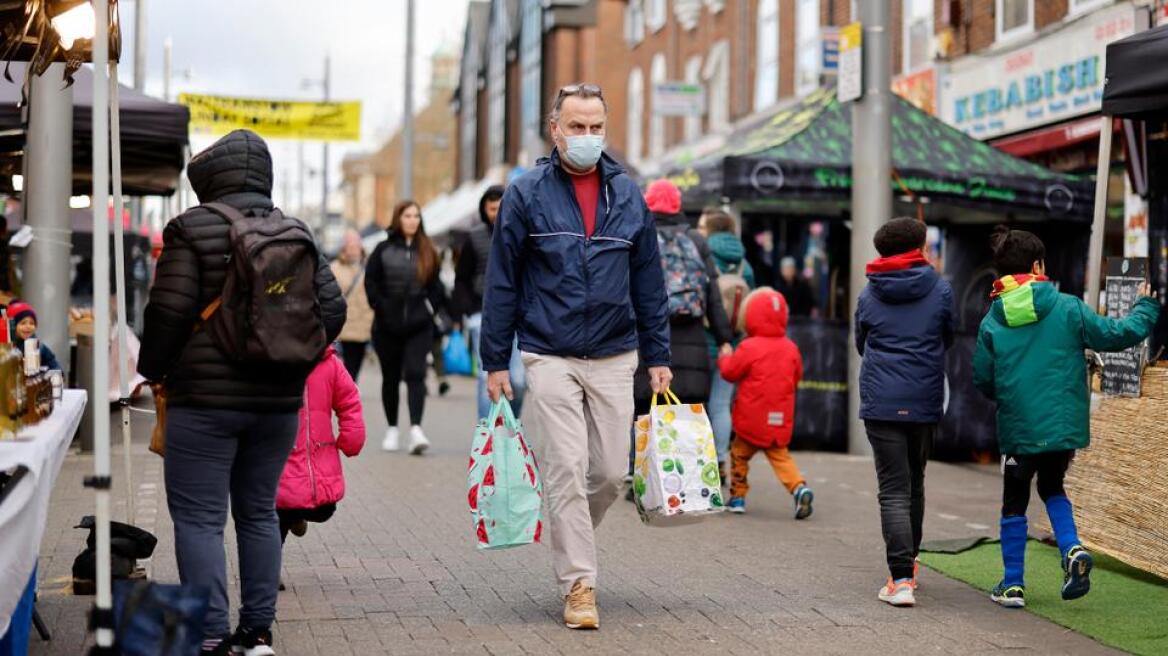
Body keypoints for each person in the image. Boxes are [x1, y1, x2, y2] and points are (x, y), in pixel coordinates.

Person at [139, 129, 347, 656]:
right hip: (277, 404)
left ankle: (210, 634)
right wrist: (291, 361)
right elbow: (334, 311)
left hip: (203, 405)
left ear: (208, 179)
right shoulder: (294, 230)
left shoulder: (191, 228)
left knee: (200, 519)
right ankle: (256, 635)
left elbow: (167, 312)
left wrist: (155, 370)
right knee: (258, 512)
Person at [481, 83, 671, 631]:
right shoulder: (526, 193)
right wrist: (496, 359)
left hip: (616, 350)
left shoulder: (628, 196)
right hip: (549, 351)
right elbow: (502, 282)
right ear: (555, 129)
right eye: (577, 127)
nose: (587, 137)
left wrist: (658, 352)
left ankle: (569, 529)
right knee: (566, 465)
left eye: (596, 128)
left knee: (611, 472)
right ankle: (579, 584)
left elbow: (649, 283)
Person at [973, 226, 1158, 609]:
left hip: (1018, 430)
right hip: (1061, 427)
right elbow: (1116, 334)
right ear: (1039, 266)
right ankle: (1072, 550)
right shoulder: (1068, 307)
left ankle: (1013, 585)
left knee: (1014, 501)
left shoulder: (992, 320)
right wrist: (1145, 308)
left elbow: (983, 380)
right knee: (1052, 487)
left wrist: (1010, 396)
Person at [855, 217, 954, 608]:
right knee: (915, 483)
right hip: (924, 398)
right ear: (920, 247)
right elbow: (948, 336)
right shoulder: (941, 289)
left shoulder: (868, 294)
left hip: (881, 399)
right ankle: (908, 568)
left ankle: (899, 581)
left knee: (893, 489)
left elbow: (862, 343)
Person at [634, 180, 733, 414]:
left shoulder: (640, 235)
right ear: (677, 205)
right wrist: (723, 338)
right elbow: (713, 295)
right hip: (693, 341)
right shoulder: (696, 241)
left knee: (643, 417)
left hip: (648, 339)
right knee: (686, 419)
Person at [718, 288, 813, 519]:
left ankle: (738, 497)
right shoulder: (791, 348)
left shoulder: (749, 346)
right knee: (781, 458)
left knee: (739, 454)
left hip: (750, 420)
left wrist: (724, 356)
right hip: (778, 418)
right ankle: (799, 488)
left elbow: (730, 372)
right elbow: (797, 376)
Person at [365, 200, 448, 455]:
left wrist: (428, 309)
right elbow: (371, 282)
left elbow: (437, 288)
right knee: (390, 377)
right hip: (386, 326)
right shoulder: (382, 249)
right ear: (398, 218)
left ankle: (415, 429)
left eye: (416, 216)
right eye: (407, 215)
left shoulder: (428, 250)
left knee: (416, 374)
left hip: (418, 326)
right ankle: (392, 428)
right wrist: (381, 307)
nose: (412, 220)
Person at [276, 346, 365, 547]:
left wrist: (353, 436)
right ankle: (268, 573)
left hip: (314, 457)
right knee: (277, 514)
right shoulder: (270, 360)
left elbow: (349, 400)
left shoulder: (329, 363)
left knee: (322, 510)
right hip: (279, 453)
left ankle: (296, 517)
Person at [452, 185, 526, 419]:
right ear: (484, 210)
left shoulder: (522, 234)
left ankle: (510, 422)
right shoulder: (474, 238)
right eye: (492, 208)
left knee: (519, 379)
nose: (497, 212)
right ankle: (488, 432)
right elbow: (461, 278)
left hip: (518, 316)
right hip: (482, 315)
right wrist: (468, 311)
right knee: (488, 377)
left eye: (501, 206)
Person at [697, 209, 754, 473]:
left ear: (710, 229)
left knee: (695, 403)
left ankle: (698, 460)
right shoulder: (745, 264)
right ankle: (720, 460)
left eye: (702, 226)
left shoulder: (700, 255)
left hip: (702, 339)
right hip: (733, 343)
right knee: (721, 405)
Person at [330, 228, 374, 382]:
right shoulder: (335, 267)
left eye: (356, 244)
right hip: (345, 324)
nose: (354, 248)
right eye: (350, 245)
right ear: (344, 247)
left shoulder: (369, 267)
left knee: (358, 358)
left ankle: (351, 384)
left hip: (364, 323)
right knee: (348, 360)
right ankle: (349, 386)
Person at [5, 300, 61, 370]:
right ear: (12, 326)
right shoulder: (5, 347)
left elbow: (55, 366)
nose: (28, 326)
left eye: (32, 323)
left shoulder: (37, 347)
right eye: (23, 323)